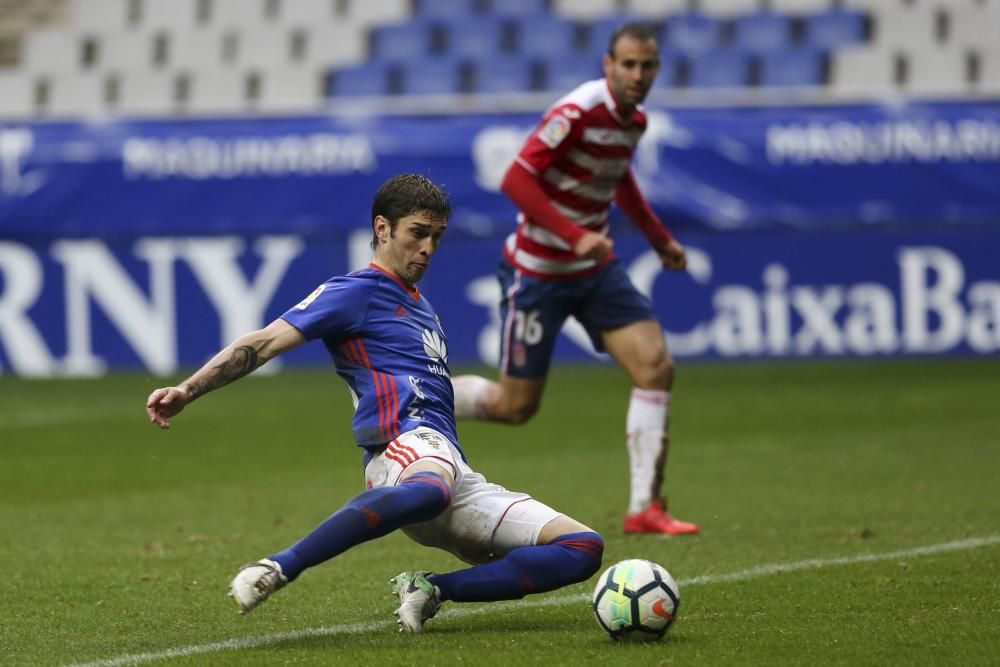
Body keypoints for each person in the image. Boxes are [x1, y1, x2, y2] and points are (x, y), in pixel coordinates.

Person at [145, 174, 603, 633]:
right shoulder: (357, 291)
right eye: (417, 233)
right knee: (431, 487)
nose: (427, 248)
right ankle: (278, 567)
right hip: (402, 451)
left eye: (436, 237)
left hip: (452, 467)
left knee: (582, 548)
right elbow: (263, 343)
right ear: (382, 229)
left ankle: (431, 590)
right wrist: (189, 389)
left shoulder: (422, 306)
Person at [451, 23, 699, 536]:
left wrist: (658, 239)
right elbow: (516, 178)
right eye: (627, 64)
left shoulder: (632, 122)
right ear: (607, 65)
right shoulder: (577, 110)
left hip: (595, 272)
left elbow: (619, 179)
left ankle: (644, 508)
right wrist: (573, 234)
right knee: (515, 407)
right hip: (538, 271)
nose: (637, 74)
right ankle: (418, 395)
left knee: (655, 368)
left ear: (656, 70)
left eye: (646, 66)